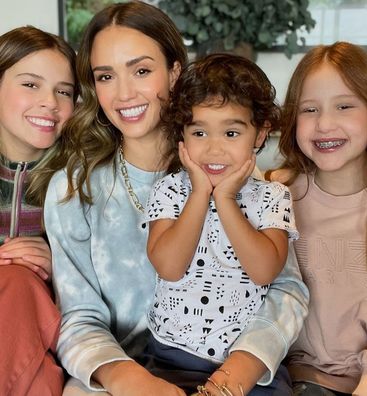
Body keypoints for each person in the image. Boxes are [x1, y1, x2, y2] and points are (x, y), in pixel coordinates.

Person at [43, 2, 308, 395]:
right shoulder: (73, 187)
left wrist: (233, 377)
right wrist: (129, 380)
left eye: (142, 70)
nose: (124, 93)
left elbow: (285, 289)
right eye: (105, 76)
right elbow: (78, 317)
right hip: (127, 371)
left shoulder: (226, 168)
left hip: (236, 369)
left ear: (175, 71)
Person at [143, 53, 300, 396]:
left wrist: (226, 200)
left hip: (244, 365)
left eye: (231, 132)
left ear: (259, 135)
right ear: (181, 136)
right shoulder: (170, 190)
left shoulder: (273, 196)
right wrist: (201, 194)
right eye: (200, 132)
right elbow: (169, 266)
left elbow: (264, 271)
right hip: (170, 355)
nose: (214, 149)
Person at [270, 41, 367, 395]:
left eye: (344, 106)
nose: (325, 124)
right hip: (279, 379)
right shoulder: (271, 195)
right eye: (309, 109)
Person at [0, 26, 77, 394]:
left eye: (64, 91)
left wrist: (56, 258)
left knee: (22, 281)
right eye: (30, 84)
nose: (51, 101)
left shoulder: (82, 175)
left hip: (44, 326)